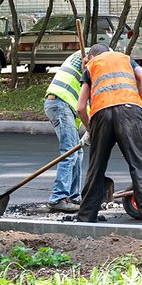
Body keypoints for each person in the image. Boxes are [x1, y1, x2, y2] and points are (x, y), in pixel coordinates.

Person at [73, 43, 142, 226]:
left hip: (101, 115)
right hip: (130, 112)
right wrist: (135, 99)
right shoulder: (125, 58)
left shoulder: (91, 66)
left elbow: (81, 107)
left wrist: (90, 130)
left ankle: (85, 219)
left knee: (96, 169)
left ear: (91, 56)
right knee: (140, 167)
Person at [43, 50, 87, 212]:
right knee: (69, 152)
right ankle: (58, 198)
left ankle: (74, 197)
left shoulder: (89, 65)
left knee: (77, 152)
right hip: (60, 103)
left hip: (65, 106)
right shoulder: (86, 57)